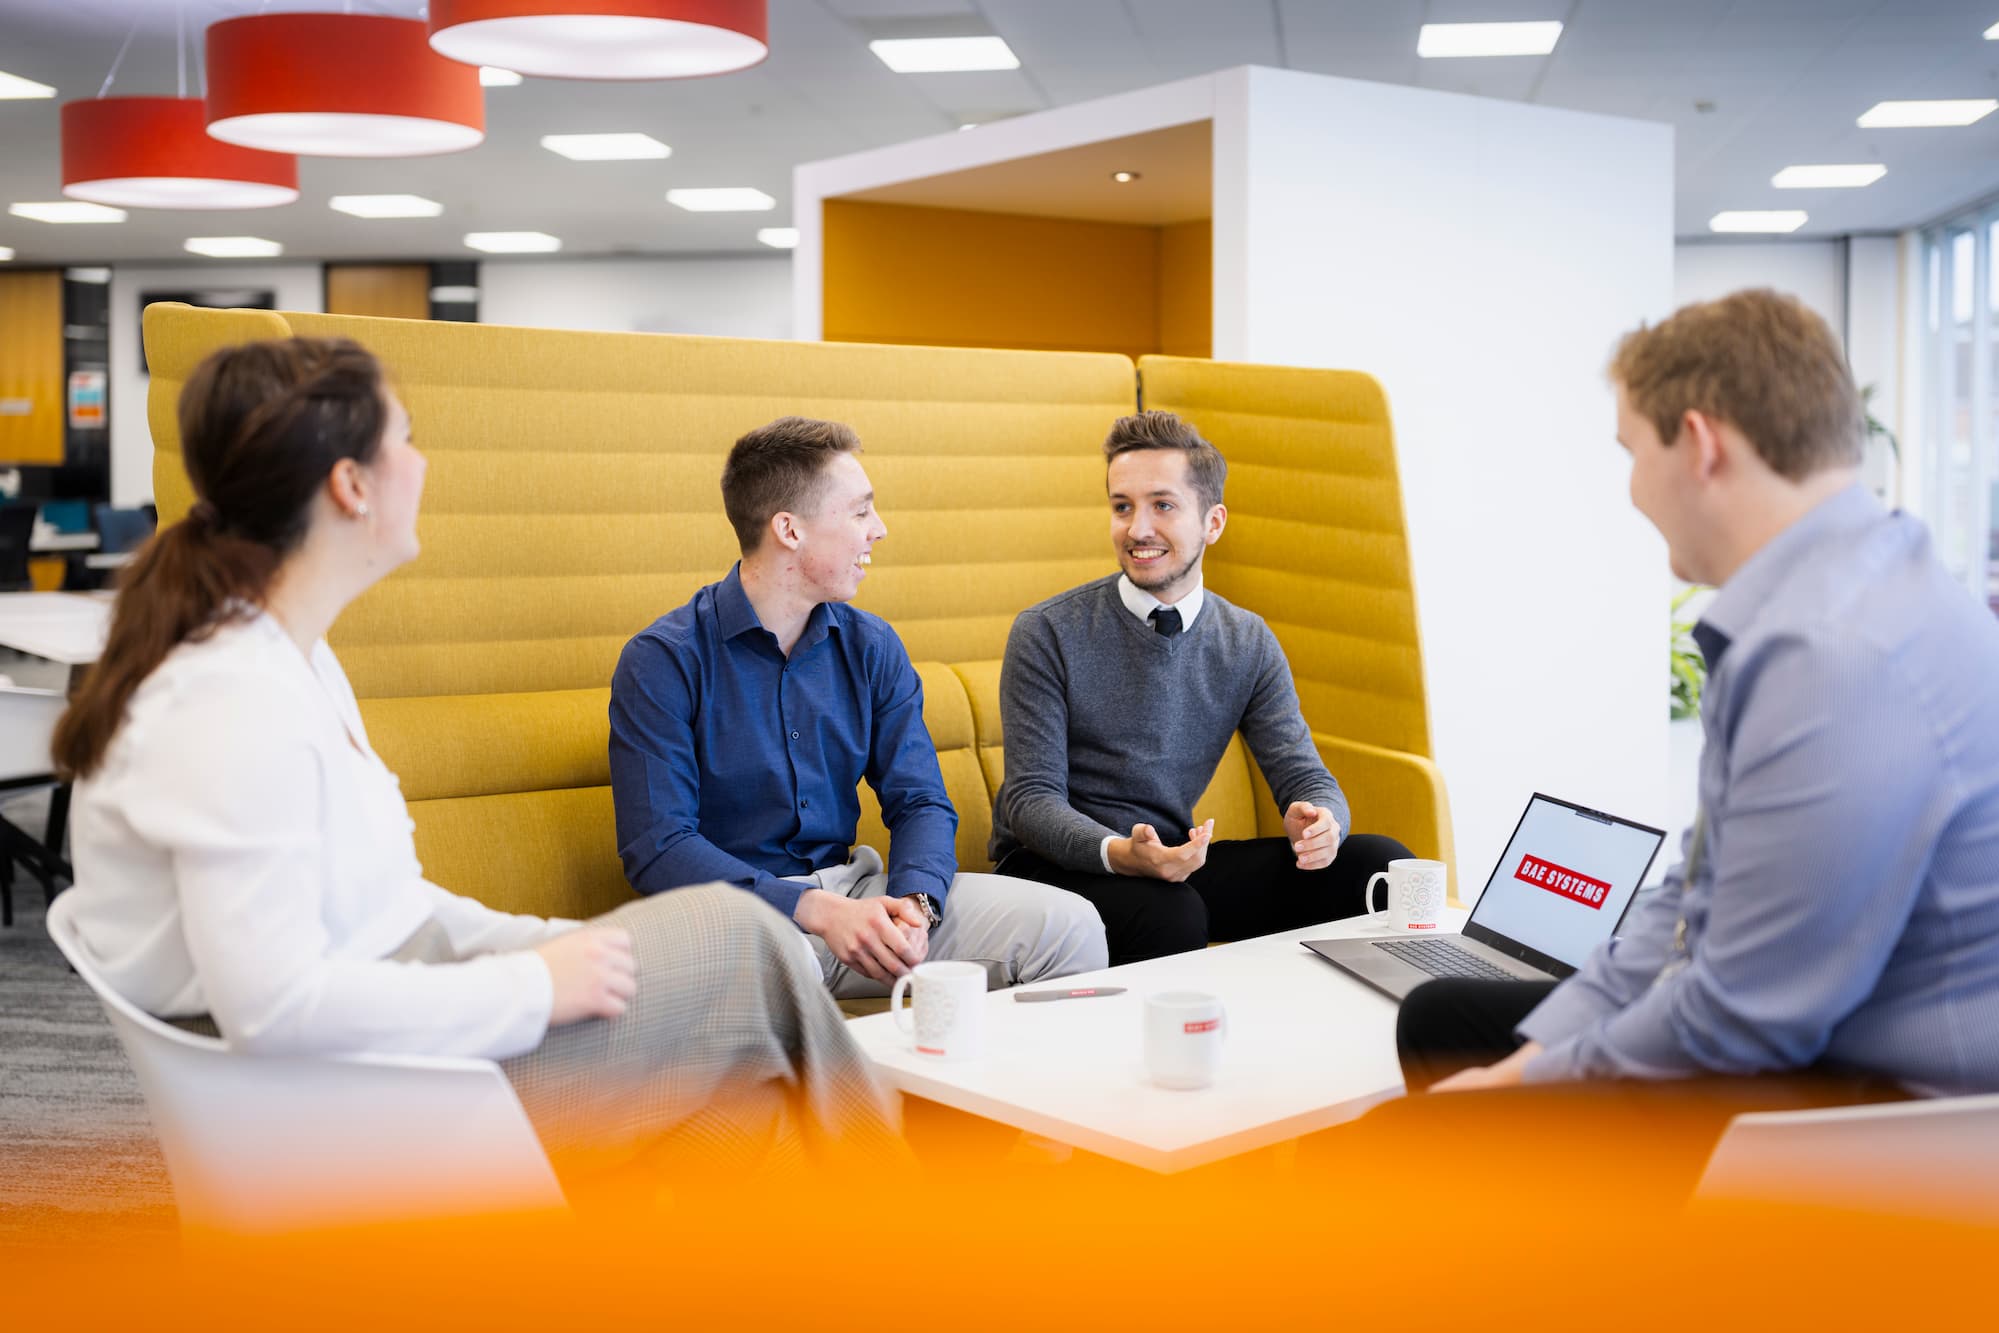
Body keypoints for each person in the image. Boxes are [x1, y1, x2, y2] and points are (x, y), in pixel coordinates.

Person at [57, 338, 900, 1192]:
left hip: (394, 1040)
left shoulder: (291, 659)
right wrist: (533, 985)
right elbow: (273, 1009)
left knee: (745, 1085)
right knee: (748, 946)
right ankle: (901, 1211)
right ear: (351, 486)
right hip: (357, 1101)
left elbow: (390, 906)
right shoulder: (232, 701)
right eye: (406, 439)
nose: (422, 464)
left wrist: (544, 944)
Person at [1362, 289, 1999, 1199]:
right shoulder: (1849, 585)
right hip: (1818, 1031)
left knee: (1379, 1154)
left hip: (1876, 1109)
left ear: (1698, 443)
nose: (1629, 488)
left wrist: (1516, 1087)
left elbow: (1740, 1017)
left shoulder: (1832, 656)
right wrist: (1535, 1054)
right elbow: (1693, 893)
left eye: (1630, 452)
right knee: (1446, 1018)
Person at [609, 416, 1106, 998]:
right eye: (860, 512)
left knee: (1070, 927)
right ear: (789, 530)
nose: (879, 529)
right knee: (781, 970)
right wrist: (815, 910)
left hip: (857, 898)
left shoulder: (871, 646)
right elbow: (659, 849)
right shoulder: (663, 660)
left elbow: (920, 800)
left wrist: (916, 903)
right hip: (736, 922)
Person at [987, 410, 1414, 965]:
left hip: (1169, 864)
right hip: (1052, 865)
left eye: (1162, 505)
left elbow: (1304, 776)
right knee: (1171, 911)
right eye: (1122, 507)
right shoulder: (1047, 631)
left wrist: (1322, 823)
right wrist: (1123, 854)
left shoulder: (1246, 640)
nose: (1137, 529)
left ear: (1213, 523)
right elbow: (1031, 802)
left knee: (1381, 866)